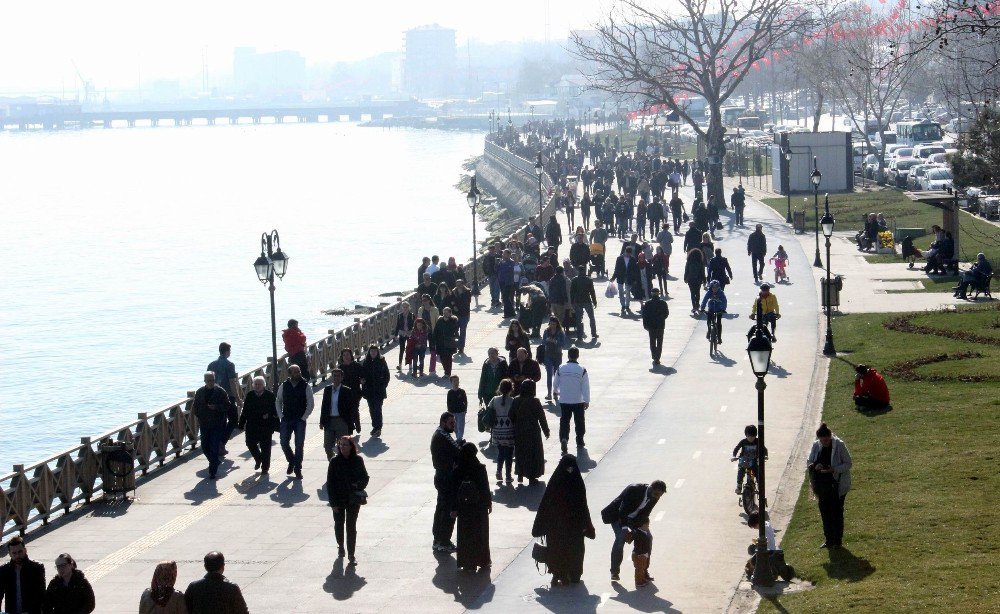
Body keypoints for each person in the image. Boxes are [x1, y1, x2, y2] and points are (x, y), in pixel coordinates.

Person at [532, 455, 596, 585]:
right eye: (568, 467)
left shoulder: (557, 481)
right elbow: (582, 506)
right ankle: (562, 574)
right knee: (570, 550)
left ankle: (564, 574)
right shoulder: (575, 482)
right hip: (567, 527)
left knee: (559, 550)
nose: (570, 470)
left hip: (561, 527)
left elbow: (546, 505)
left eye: (572, 467)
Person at [601, 481, 667, 581]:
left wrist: (638, 530)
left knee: (647, 537)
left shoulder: (655, 496)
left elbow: (646, 513)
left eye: (660, 496)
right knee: (621, 538)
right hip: (618, 516)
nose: (657, 497)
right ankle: (614, 572)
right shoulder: (634, 489)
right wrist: (625, 528)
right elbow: (622, 510)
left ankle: (643, 571)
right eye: (656, 494)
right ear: (651, 488)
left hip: (634, 518)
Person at [807, 424, 852, 549]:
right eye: (822, 440)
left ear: (830, 436)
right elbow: (809, 461)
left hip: (837, 486)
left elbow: (848, 463)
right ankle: (828, 539)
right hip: (822, 486)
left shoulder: (839, 445)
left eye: (826, 440)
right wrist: (815, 466)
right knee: (825, 513)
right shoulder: (816, 445)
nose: (824, 442)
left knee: (837, 513)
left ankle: (837, 540)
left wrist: (834, 470)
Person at [326, 436, 370, 564]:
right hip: (338, 499)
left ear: (351, 446)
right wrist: (333, 503)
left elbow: (365, 477)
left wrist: (358, 486)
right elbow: (330, 483)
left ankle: (351, 554)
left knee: (351, 526)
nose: (342, 447)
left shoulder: (358, 460)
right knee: (339, 524)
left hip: (353, 499)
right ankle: (340, 546)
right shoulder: (334, 462)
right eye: (340, 445)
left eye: (345, 445)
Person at [450, 443, 492, 572]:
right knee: (481, 534)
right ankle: (483, 560)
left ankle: (468, 562)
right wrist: (488, 503)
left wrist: (454, 508)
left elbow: (453, 491)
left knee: (465, 536)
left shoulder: (458, 470)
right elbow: (485, 488)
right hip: (479, 508)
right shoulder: (480, 468)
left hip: (464, 509)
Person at [192, 371, 234, 479]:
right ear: (205, 381)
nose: (211, 382)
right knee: (205, 446)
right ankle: (215, 461)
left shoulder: (220, 391)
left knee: (214, 446)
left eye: (213, 380)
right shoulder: (200, 392)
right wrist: (199, 415)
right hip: (204, 423)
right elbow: (195, 406)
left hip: (217, 423)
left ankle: (212, 472)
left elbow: (227, 405)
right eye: (209, 380)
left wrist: (216, 407)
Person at [431, 412, 462, 553]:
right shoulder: (443, 435)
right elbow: (458, 451)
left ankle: (438, 538)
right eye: (451, 423)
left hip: (441, 476)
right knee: (448, 509)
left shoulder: (439, 434)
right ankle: (444, 540)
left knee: (441, 508)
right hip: (446, 477)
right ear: (443, 422)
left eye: (454, 423)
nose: (453, 426)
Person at [276, 364, 313, 479]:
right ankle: (291, 460)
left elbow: (310, 403)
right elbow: (278, 401)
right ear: (290, 374)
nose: (298, 374)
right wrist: (281, 415)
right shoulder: (284, 385)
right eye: (295, 372)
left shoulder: (306, 386)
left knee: (299, 445)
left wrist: (304, 417)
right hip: (286, 418)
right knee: (283, 442)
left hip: (299, 420)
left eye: (299, 371)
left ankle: (297, 467)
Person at [510, 380, 550, 484]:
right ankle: (532, 476)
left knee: (520, 452)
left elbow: (511, 415)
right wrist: (546, 431)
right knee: (533, 454)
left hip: (519, 430)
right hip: (532, 431)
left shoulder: (516, 400)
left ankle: (520, 474)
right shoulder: (535, 401)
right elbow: (542, 417)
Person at [183, 552, 248, 614]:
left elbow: (185, 608)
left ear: (205, 566)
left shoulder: (194, 586)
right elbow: (242, 611)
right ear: (223, 566)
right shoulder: (232, 588)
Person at [553, 347, 590, 454]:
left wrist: (555, 392)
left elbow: (555, 383)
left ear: (568, 355)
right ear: (577, 356)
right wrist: (586, 400)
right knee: (579, 421)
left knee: (564, 421)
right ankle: (580, 440)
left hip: (564, 400)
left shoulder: (561, 368)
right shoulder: (582, 369)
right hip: (578, 400)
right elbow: (585, 387)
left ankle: (564, 438)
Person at [237, 375, 278, 473]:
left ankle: (265, 468)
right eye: (255, 384)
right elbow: (245, 410)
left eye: (259, 384)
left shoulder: (270, 395)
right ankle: (258, 458)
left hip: (266, 425)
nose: (257, 386)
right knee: (250, 443)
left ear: (264, 385)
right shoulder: (250, 395)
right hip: (252, 424)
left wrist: (269, 414)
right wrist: (241, 423)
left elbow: (275, 410)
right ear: (253, 385)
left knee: (266, 447)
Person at [206, 343, 241, 456]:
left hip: (214, 396)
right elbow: (232, 382)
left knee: (220, 421)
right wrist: (237, 397)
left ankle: (217, 444)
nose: (230, 352)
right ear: (227, 352)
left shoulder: (211, 364)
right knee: (234, 419)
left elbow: (207, 380)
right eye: (229, 351)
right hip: (227, 396)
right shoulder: (229, 365)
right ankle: (221, 443)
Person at [319, 368, 359, 460]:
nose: (336, 378)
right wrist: (322, 421)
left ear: (342, 378)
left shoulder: (346, 390)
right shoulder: (327, 390)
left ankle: (342, 465)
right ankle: (333, 463)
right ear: (331, 377)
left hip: (341, 421)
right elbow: (324, 406)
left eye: (338, 376)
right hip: (329, 421)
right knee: (327, 446)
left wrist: (354, 423)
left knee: (343, 447)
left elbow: (352, 408)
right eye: (334, 376)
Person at [1, 535, 46, 614]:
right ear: (10, 554)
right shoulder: (4, 570)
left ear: (25, 550)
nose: (17, 555)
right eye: (14, 553)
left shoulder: (37, 568)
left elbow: (40, 594)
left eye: (20, 552)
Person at [488, 379, 517, 483]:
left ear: (499, 388)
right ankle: (508, 476)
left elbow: (489, 411)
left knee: (500, 452)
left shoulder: (494, 400)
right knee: (509, 454)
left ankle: (498, 471)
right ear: (511, 389)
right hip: (509, 431)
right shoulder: (513, 401)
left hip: (497, 431)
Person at [360, 345, 390, 437]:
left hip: (379, 391)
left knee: (377, 409)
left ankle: (378, 428)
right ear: (369, 352)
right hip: (369, 391)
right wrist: (362, 380)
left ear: (377, 352)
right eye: (371, 351)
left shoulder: (382, 361)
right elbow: (362, 374)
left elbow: (387, 375)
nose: (373, 353)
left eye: (375, 351)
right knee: (372, 409)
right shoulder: (366, 362)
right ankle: (374, 427)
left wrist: (383, 386)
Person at [732, 425, 767, 494]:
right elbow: (736, 449)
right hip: (744, 460)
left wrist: (765, 456)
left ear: (755, 435)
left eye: (753, 436)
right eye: (749, 436)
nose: (751, 438)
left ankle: (759, 484)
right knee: (741, 471)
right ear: (746, 435)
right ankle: (739, 486)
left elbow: (764, 449)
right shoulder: (743, 442)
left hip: (754, 460)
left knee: (757, 470)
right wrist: (734, 456)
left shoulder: (758, 441)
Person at [640, 287, 669, 365]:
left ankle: (654, 356)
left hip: (651, 326)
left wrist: (645, 325)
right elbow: (666, 314)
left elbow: (644, 315)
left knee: (652, 342)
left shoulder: (648, 303)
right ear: (658, 293)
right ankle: (657, 358)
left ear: (651, 294)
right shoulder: (663, 303)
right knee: (659, 342)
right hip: (660, 325)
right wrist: (661, 319)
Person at [540, 316, 567, 401]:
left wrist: (555, 342)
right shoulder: (546, 331)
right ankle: (549, 393)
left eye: (554, 324)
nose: (552, 325)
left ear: (557, 324)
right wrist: (547, 340)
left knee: (556, 374)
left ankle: (555, 392)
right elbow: (543, 342)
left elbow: (563, 344)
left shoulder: (560, 332)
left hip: (557, 354)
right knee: (549, 374)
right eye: (551, 324)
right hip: (548, 354)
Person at [570, 266, 598, 341]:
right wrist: (594, 301)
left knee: (578, 319)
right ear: (584, 271)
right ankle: (594, 333)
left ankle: (579, 335)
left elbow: (572, 292)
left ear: (578, 271)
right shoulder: (589, 280)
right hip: (587, 300)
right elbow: (592, 291)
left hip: (578, 301)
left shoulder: (574, 280)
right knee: (591, 318)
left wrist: (572, 302)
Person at [610, 246, 640, 316]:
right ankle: (623, 305)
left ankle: (627, 305)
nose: (628, 255)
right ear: (625, 251)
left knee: (628, 292)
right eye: (628, 253)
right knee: (620, 292)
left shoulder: (632, 259)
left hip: (629, 278)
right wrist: (613, 277)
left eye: (630, 254)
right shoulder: (619, 258)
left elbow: (635, 270)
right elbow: (616, 269)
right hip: (620, 277)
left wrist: (635, 279)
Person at [434, 307, 460, 378]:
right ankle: (446, 371)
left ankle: (448, 373)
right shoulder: (440, 320)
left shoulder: (453, 320)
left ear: (450, 313)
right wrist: (435, 339)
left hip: (449, 342)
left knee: (448, 358)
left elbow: (454, 330)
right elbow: (436, 330)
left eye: (446, 312)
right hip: (441, 342)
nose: (445, 314)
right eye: (444, 312)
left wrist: (448, 321)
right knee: (442, 358)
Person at [700, 280, 728, 344]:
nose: (714, 289)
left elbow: (724, 301)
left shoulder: (721, 293)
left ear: (718, 287)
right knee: (709, 321)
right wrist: (702, 308)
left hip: (719, 309)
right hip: (711, 308)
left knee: (718, 323)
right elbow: (705, 300)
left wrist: (723, 309)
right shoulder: (709, 292)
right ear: (711, 287)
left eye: (716, 288)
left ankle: (719, 338)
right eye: (713, 288)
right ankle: (709, 331)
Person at [392, 302, 415, 371]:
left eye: (406, 307)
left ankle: (410, 364)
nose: (405, 308)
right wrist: (395, 335)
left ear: (409, 307)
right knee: (401, 349)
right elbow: (398, 325)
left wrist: (413, 333)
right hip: (402, 334)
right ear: (402, 308)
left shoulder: (412, 315)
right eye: (404, 307)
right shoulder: (400, 315)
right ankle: (400, 365)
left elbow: (414, 325)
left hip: (409, 333)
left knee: (409, 349)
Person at [452, 279, 473, 355]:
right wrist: (454, 306)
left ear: (463, 284)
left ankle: (461, 348)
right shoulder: (454, 292)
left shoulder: (467, 292)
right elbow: (452, 300)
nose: (458, 286)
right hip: (456, 314)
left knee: (463, 331)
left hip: (465, 314)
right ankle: (458, 344)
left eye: (460, 284)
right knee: (454, 330)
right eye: (457, 285)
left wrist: (459, 305)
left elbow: (468, 302)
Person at [684, 248, 706, 315]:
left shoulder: (689, 261)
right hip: (698, 279)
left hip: (690, 279)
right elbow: (702, 272)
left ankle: (694, 306)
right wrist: (704, 280)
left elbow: (686, 270)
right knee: (697, 292)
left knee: (692, 293)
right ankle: (697, 304)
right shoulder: (700, 262)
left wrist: (685, 278)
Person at [447, 375, 469, 440]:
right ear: (451, 383)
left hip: (461, 412)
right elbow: (448, 402)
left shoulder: (462, 391)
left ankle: (459, 438)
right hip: (453, 412)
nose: (456, 382)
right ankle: (458, 437)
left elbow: (465, 401)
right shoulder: (450, 392)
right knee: (455, 427)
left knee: (460, 426)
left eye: (457, 381)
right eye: (454, 381)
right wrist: (449, 411)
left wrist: (465, 410)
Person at [498, 249, 517, 317]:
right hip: (501, 281)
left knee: (505, 298)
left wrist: (503, 263)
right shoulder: (501, 262)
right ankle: (512, 312)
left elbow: (508, 270)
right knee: (506, 298)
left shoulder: (511, 262)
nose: (503, 255)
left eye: (505, 254)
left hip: (508, 282)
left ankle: (507, 313)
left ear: (509, 255)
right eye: (503, 254)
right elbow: (498, 270)